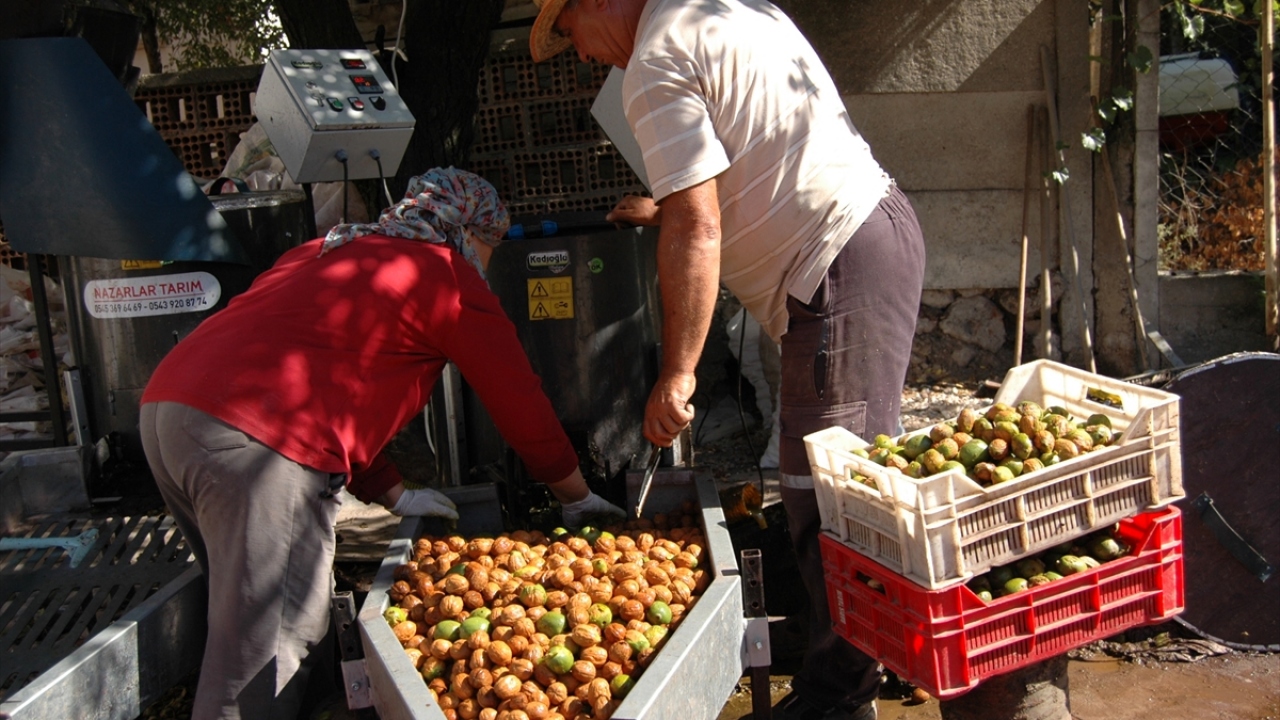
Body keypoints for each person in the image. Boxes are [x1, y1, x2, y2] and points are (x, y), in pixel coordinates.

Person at [530, 2, 927, 719]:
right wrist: (667, 210)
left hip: (839, 261)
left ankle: (840, 699)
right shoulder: (730, 10)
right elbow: (755, 152)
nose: (580, 53)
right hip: (865, 239)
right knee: (834, 492)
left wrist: (678, 372)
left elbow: (699, 220)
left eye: (569, 32)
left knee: (834, 503)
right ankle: (853, 674)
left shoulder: (652, 61)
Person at [138, 167, 625, 720]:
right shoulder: (446, 276)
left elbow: (326, 386)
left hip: (169, 414)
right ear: (469, 233)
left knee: (245, 617)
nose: (490, 263)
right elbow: (519, 401)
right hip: (255, 443)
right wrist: (575, 494)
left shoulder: (324, 249)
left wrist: (393, 493)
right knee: (264, 651)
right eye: (492, 247)